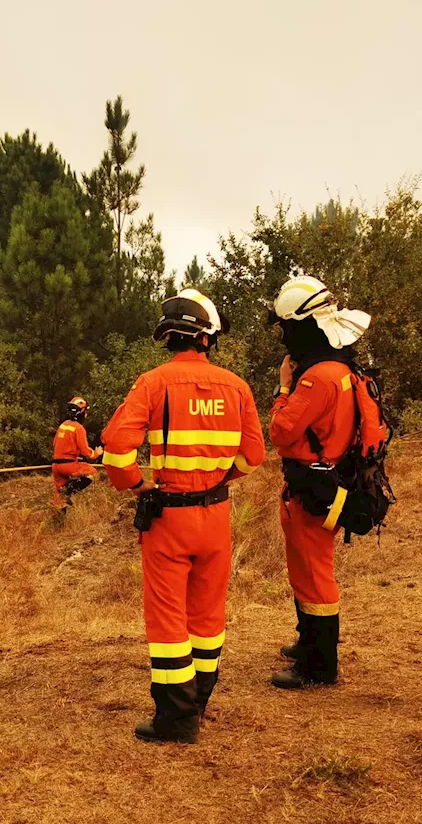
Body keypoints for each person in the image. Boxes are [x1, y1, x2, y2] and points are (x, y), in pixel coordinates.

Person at [101, 288, 266, 744]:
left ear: (168, 337)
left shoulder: (152, 383)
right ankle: (199, 702)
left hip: (168, 518)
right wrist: (221, 479)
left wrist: (135, 484)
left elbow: (116, 448)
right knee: (208, 614)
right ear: (207, 338)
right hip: (216, 516)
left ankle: (175, 720)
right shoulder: (237, 386)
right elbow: (254, 454)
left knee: (168, 619)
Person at [267, 275, 374, 688]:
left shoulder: (316, 379)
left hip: (314, 488)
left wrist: (283, 387)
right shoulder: (344, 369)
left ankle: (319, 666)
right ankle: (308, 643)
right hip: (324, 482)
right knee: (305, 569)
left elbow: (280, 431)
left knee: (314, 573)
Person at [51, 396, 102, 510]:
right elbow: (87, 453)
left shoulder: (63, 425)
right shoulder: (78, 428)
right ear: (81, 412)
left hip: (56, 466)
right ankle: (67, 493)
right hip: (68, 465)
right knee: (91, 473)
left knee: (59, 500)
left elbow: (55, 444)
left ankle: (59, 521)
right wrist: (97, 453)